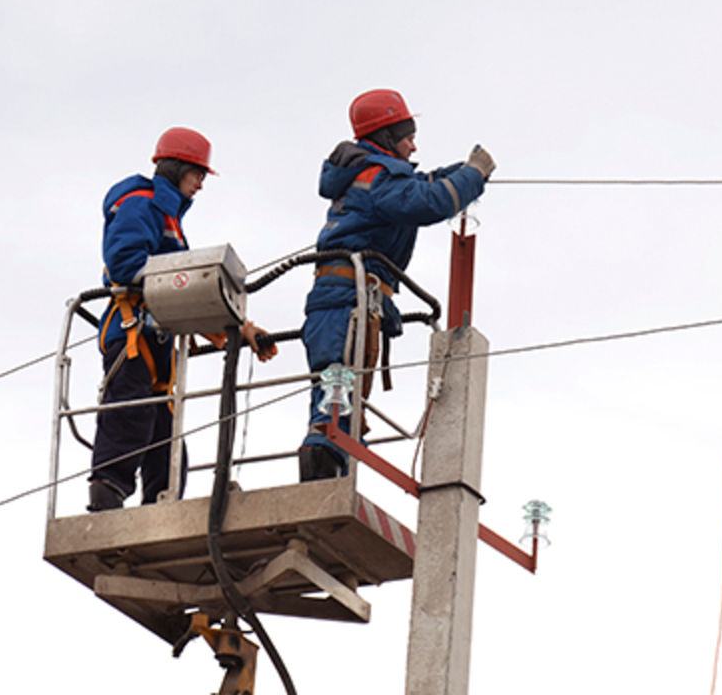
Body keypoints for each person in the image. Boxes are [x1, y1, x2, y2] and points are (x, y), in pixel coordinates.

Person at [297, 89, 496, 481]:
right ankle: (321, 474)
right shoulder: (377, 178)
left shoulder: (373, 174)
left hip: (349, 297)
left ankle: (337, 459)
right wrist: (472, 175)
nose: (413, 144)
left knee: (342, 390)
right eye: (407, 136)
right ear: (388, 136)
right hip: (344, 297)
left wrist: (467, 171)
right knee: (333, 394)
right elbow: (424, 202)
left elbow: (422, 185)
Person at [89, 127, 277, 512]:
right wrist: (184, 282)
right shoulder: (141, 204)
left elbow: (183, 295)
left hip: (156, 337)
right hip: (132, 331)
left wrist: (239, 328)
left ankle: (162, 501)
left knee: (166, 430)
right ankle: (107, 492)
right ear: (177, 168)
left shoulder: (168, 217)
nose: (201, 185)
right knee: (130, 412)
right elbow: (124, 263)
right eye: (198, 175)